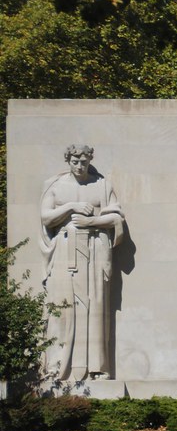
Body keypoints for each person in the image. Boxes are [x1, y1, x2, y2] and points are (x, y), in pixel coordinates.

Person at [39, 144, 126, 381]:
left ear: (89, 161)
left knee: (95, 306)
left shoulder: (101, 185)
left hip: (95, 251)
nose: (79, 167)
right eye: (75, 162)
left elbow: (116, 217)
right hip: (65, 252)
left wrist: (92, 222)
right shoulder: (56, 186)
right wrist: (70, 207)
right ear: (68, 161)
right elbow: (45, 217)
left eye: (84, 162)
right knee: (62, 308)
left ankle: (97, 368)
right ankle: (58, 366)